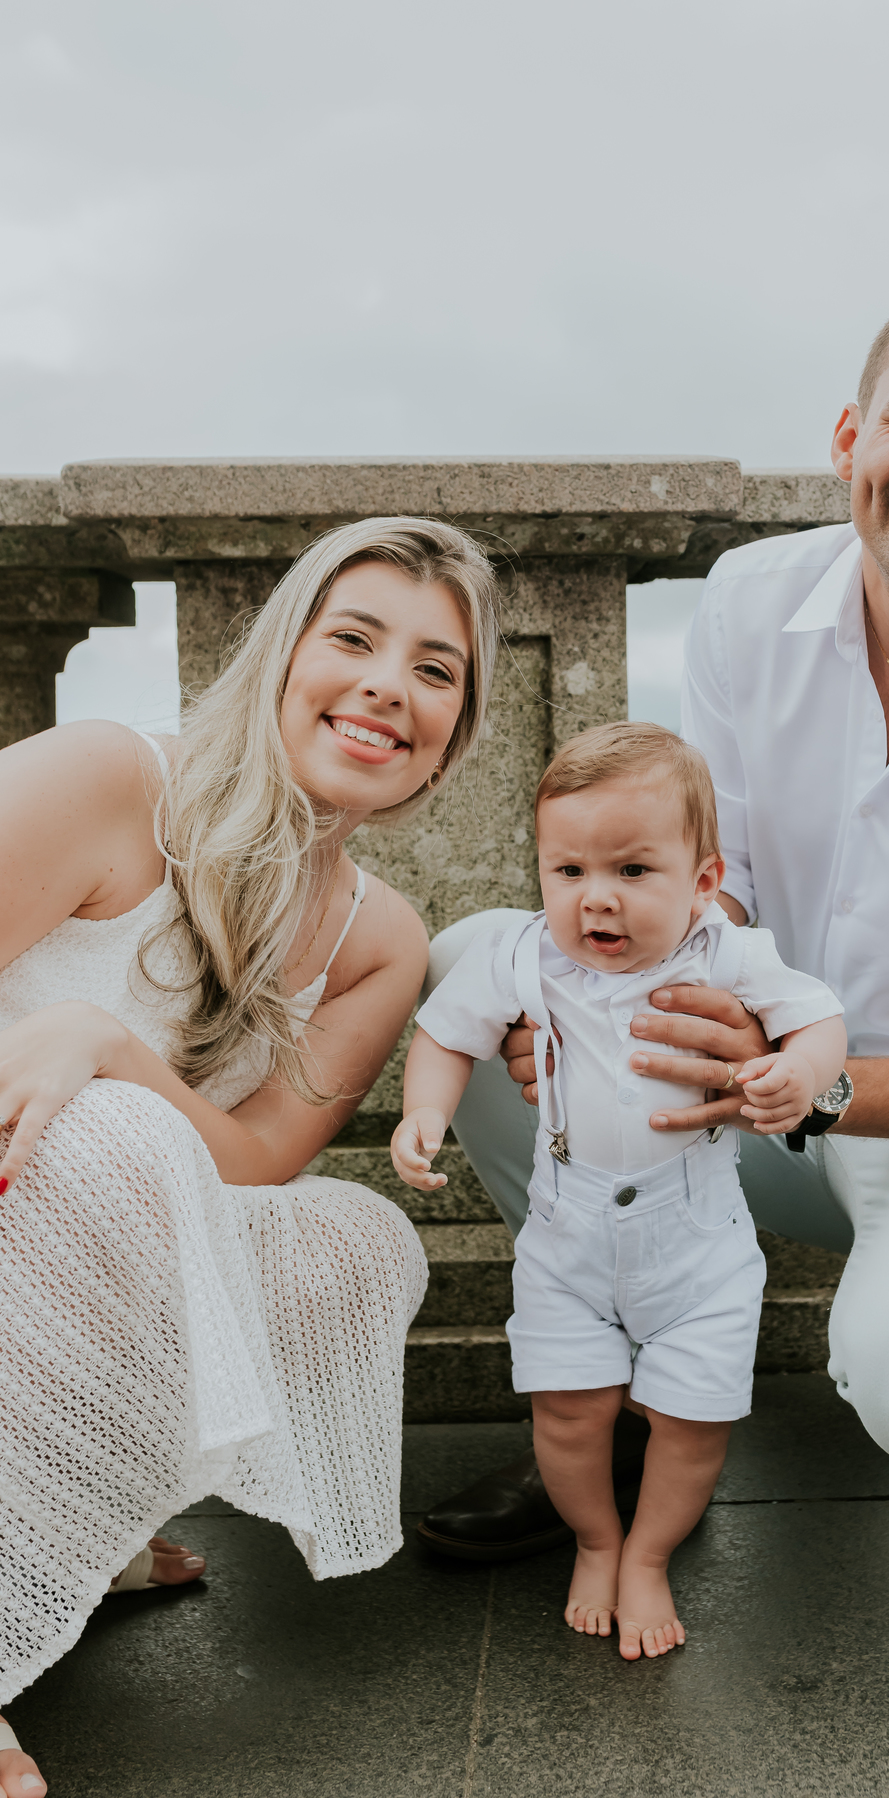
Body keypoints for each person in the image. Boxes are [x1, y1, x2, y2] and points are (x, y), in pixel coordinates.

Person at [416, 280, 889, 1567]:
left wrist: (819, 1086)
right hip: (766, 1090)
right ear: (850, 440)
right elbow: (710, 879)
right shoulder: (745, 600)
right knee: (478, 970)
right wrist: (679, 1005)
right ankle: (619, 1392)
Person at [0, 517, 499, 1798]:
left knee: (350, 1245)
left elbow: (253, 1160)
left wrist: (105, 1041)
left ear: (456, 730)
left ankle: (64, 1516)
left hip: (107, 1203)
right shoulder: (113, 781)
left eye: (437, 669)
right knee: (105, 1145)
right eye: (356, 638)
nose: (392, 683)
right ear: (282, 655)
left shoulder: (382, 938)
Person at [393, 723, 845, 1658]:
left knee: (691, 1421)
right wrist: (423, 1113)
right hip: (569, 1234)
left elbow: (820, 1017)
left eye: (634, 871)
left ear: (704, 879)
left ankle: (649, 1553)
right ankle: (596, 1540)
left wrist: (799, 1072)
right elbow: (446, 1032)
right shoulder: (524, 956)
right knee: (567, 1407)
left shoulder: (727, 955)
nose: (596, 900)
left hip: (698, 1241)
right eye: (569, 872)